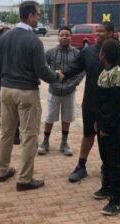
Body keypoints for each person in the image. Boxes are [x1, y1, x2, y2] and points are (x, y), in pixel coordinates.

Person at [0, 1, 62, 191]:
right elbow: (41, 70)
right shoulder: (34, 41)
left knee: (6, 133)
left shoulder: (5, 37)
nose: (38, 17)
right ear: (30, 15)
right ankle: (24, 179)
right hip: (26, 92)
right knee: (30, 135)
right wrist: (57, 76)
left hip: (6, 90)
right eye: (37, 14)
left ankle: (2, 170)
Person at [63, 22, 120, 183]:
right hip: (90, 103)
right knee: (88, 134)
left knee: (108, 138)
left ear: (110, 33)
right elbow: (75, 67)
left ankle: (107, 167)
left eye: (101, 31)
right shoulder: (88, 52)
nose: (97, 34)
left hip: (110, 108)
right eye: (97, 31)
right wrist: (62, 75)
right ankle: (81, 166)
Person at [93, 38, 120, 216]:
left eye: (100, 51)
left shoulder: (117, 74)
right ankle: (106, 187)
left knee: (114, 161)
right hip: (103, 124)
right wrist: (98, 122)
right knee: (105, 158)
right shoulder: (105, 71)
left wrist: (106, 126)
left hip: (112, 126)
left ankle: (117, 198)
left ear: (104, 55)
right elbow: (100, 102)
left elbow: (115, 106)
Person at [37, 26, 84, 156]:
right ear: (58, 37)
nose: (64, 37)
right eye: (62, 35)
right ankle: (45, 142)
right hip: (54, 91)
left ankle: (64, 143)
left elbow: (82, 70)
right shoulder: (50, 53)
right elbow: (43, 69)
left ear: (71, 37)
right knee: (49, 118)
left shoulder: (76, 53)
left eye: (67, 35)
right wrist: (52, 80)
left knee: (66, 118)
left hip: (70, 91)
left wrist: (74, 83)